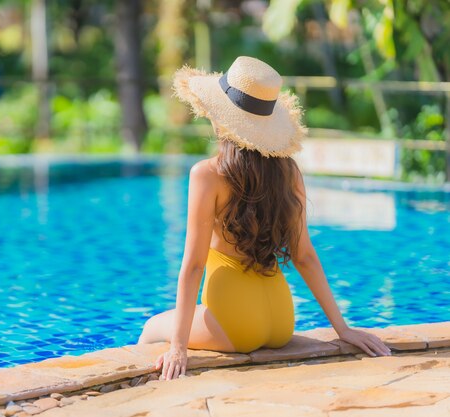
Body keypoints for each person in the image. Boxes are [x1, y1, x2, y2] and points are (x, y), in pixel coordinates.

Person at [137, 56, 391, 381]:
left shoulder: (207, 174)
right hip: (282, 319)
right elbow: (305, 257)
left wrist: (178, 346)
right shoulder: (289, 172)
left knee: (150, 329)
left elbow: (194, 266)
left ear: (219, 115)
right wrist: (342, 328)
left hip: (235, 322)